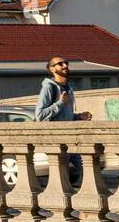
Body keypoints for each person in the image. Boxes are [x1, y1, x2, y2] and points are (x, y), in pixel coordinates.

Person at [34, 55, 92, 183]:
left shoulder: (68, 88)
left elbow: (64, 116)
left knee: (90, 171)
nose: (65, 66)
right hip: (58, 140)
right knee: (62, 180)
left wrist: (78, 117)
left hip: (72, 139)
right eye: (60, 64)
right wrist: (60, 103)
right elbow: (40, 116)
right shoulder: (49, 87)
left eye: (66, 63)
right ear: (52, 69)